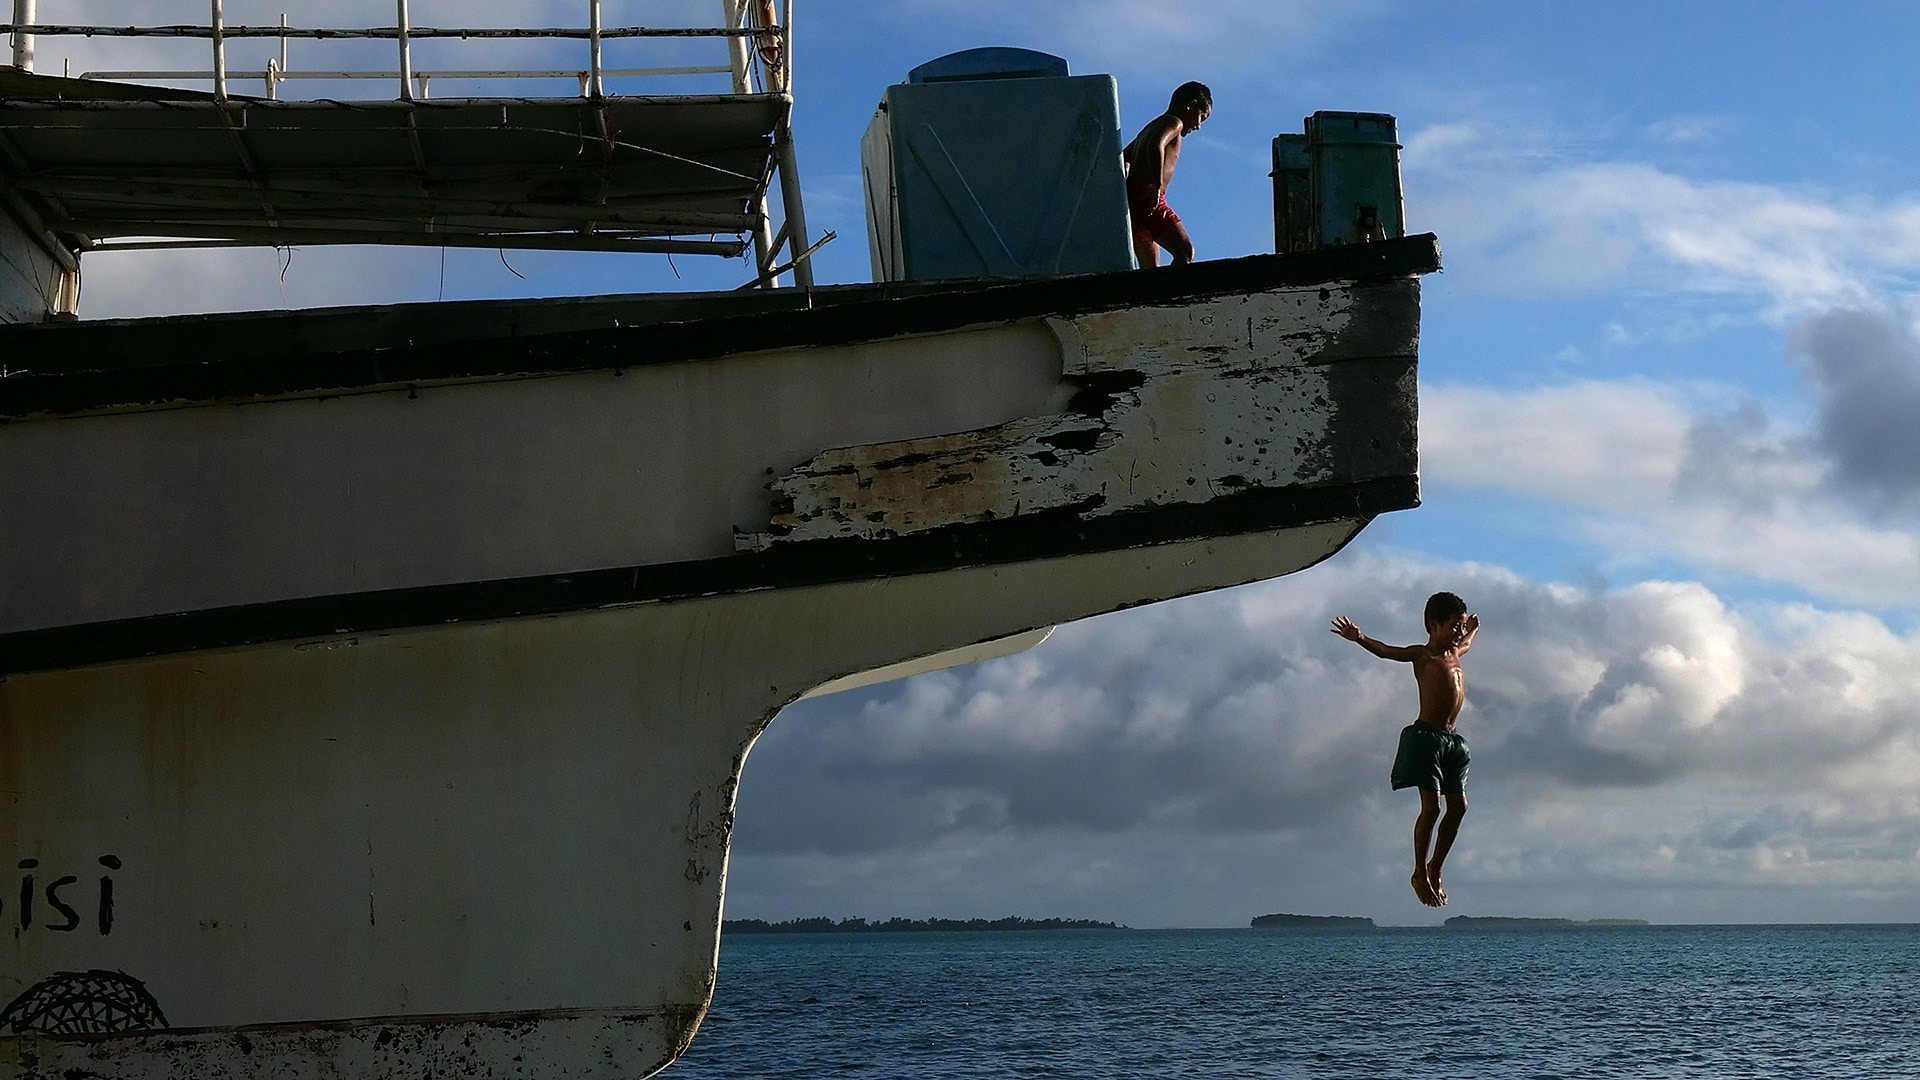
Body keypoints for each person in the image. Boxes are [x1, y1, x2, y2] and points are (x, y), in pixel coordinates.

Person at [1330, 593, 1480, 908]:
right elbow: (1387, 651)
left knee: (1459, 807)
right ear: (1434, 625)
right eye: (1454, 625)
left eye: (1461, 626)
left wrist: (1473, 629)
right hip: (1426, 737)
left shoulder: (1456, 652)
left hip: (1452, 740)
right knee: (1432, 808)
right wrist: (1360, 638)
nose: (1458, 632)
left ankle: (1436, 867)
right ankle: (1419, 872)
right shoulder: (1422, 655)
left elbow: (1467, 642)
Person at [1123, 81, 1211, 267]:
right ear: (1191, 105)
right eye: (1201, 117)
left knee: (1151, 269)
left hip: (1135, 199)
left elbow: (1124, 157)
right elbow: (1156, 144)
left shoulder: (1149, 128)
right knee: (1185, 251)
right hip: (1149, 196)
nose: (1198, 126)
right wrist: (1157, 186)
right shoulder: (1174, 122)